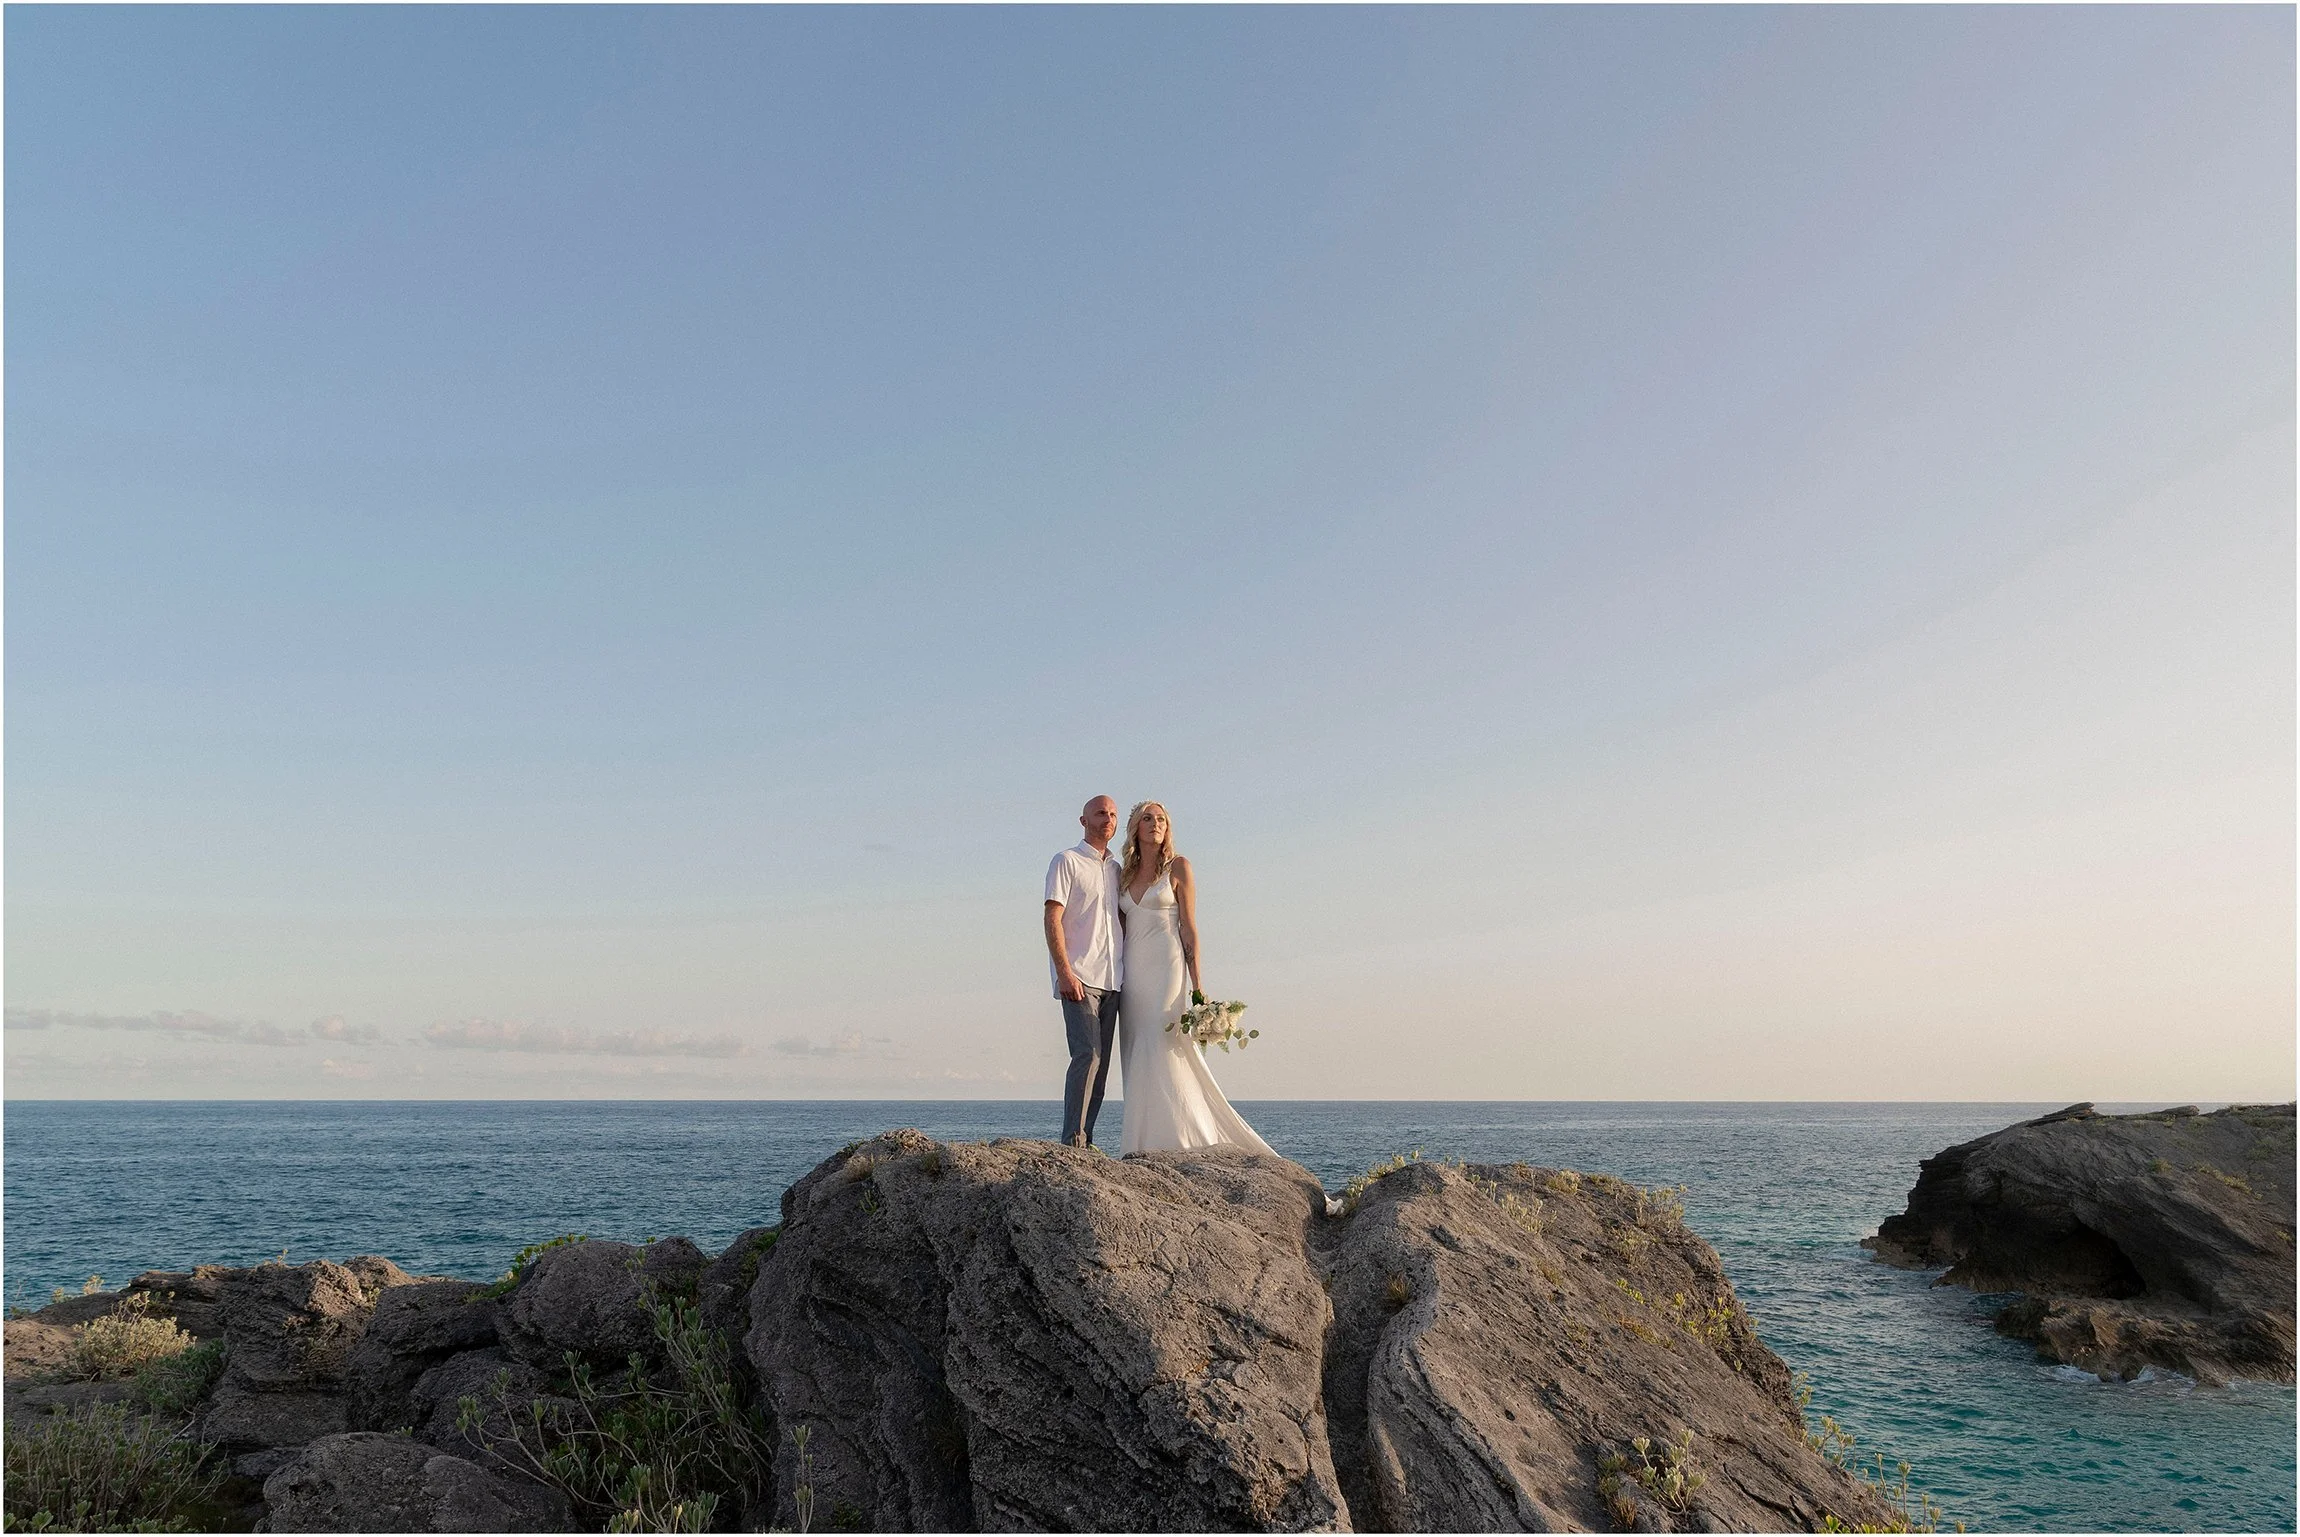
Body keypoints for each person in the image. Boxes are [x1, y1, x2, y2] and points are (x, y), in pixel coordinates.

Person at [1114, 801, 1278, 1158]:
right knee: (1136, 1048)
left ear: (1167, 829)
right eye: (1147, 819)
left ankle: (1183, 1138)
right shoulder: (1123, 875)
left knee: (1165, 1044)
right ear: (1135, 829)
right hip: (1132, 974)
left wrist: (1199, 986)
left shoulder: (1179, 867)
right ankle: (1142, 1141)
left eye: (1161, 820)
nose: (1155, 824)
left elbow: (1189, 928)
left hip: (1167, 968)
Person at [1044, 795, 1124, 1147]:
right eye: (1099, 813)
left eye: (1112, 814)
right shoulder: (1067, 861)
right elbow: (1052, 917)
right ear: (1083, 820)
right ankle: (1071, 1142)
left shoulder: (1117, 869)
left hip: (1113, 979)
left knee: (1101, 1066)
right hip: (1079, 977)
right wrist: (1064, 973)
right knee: (1086, 1055)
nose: (1106, 819)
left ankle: (1086, 1138)